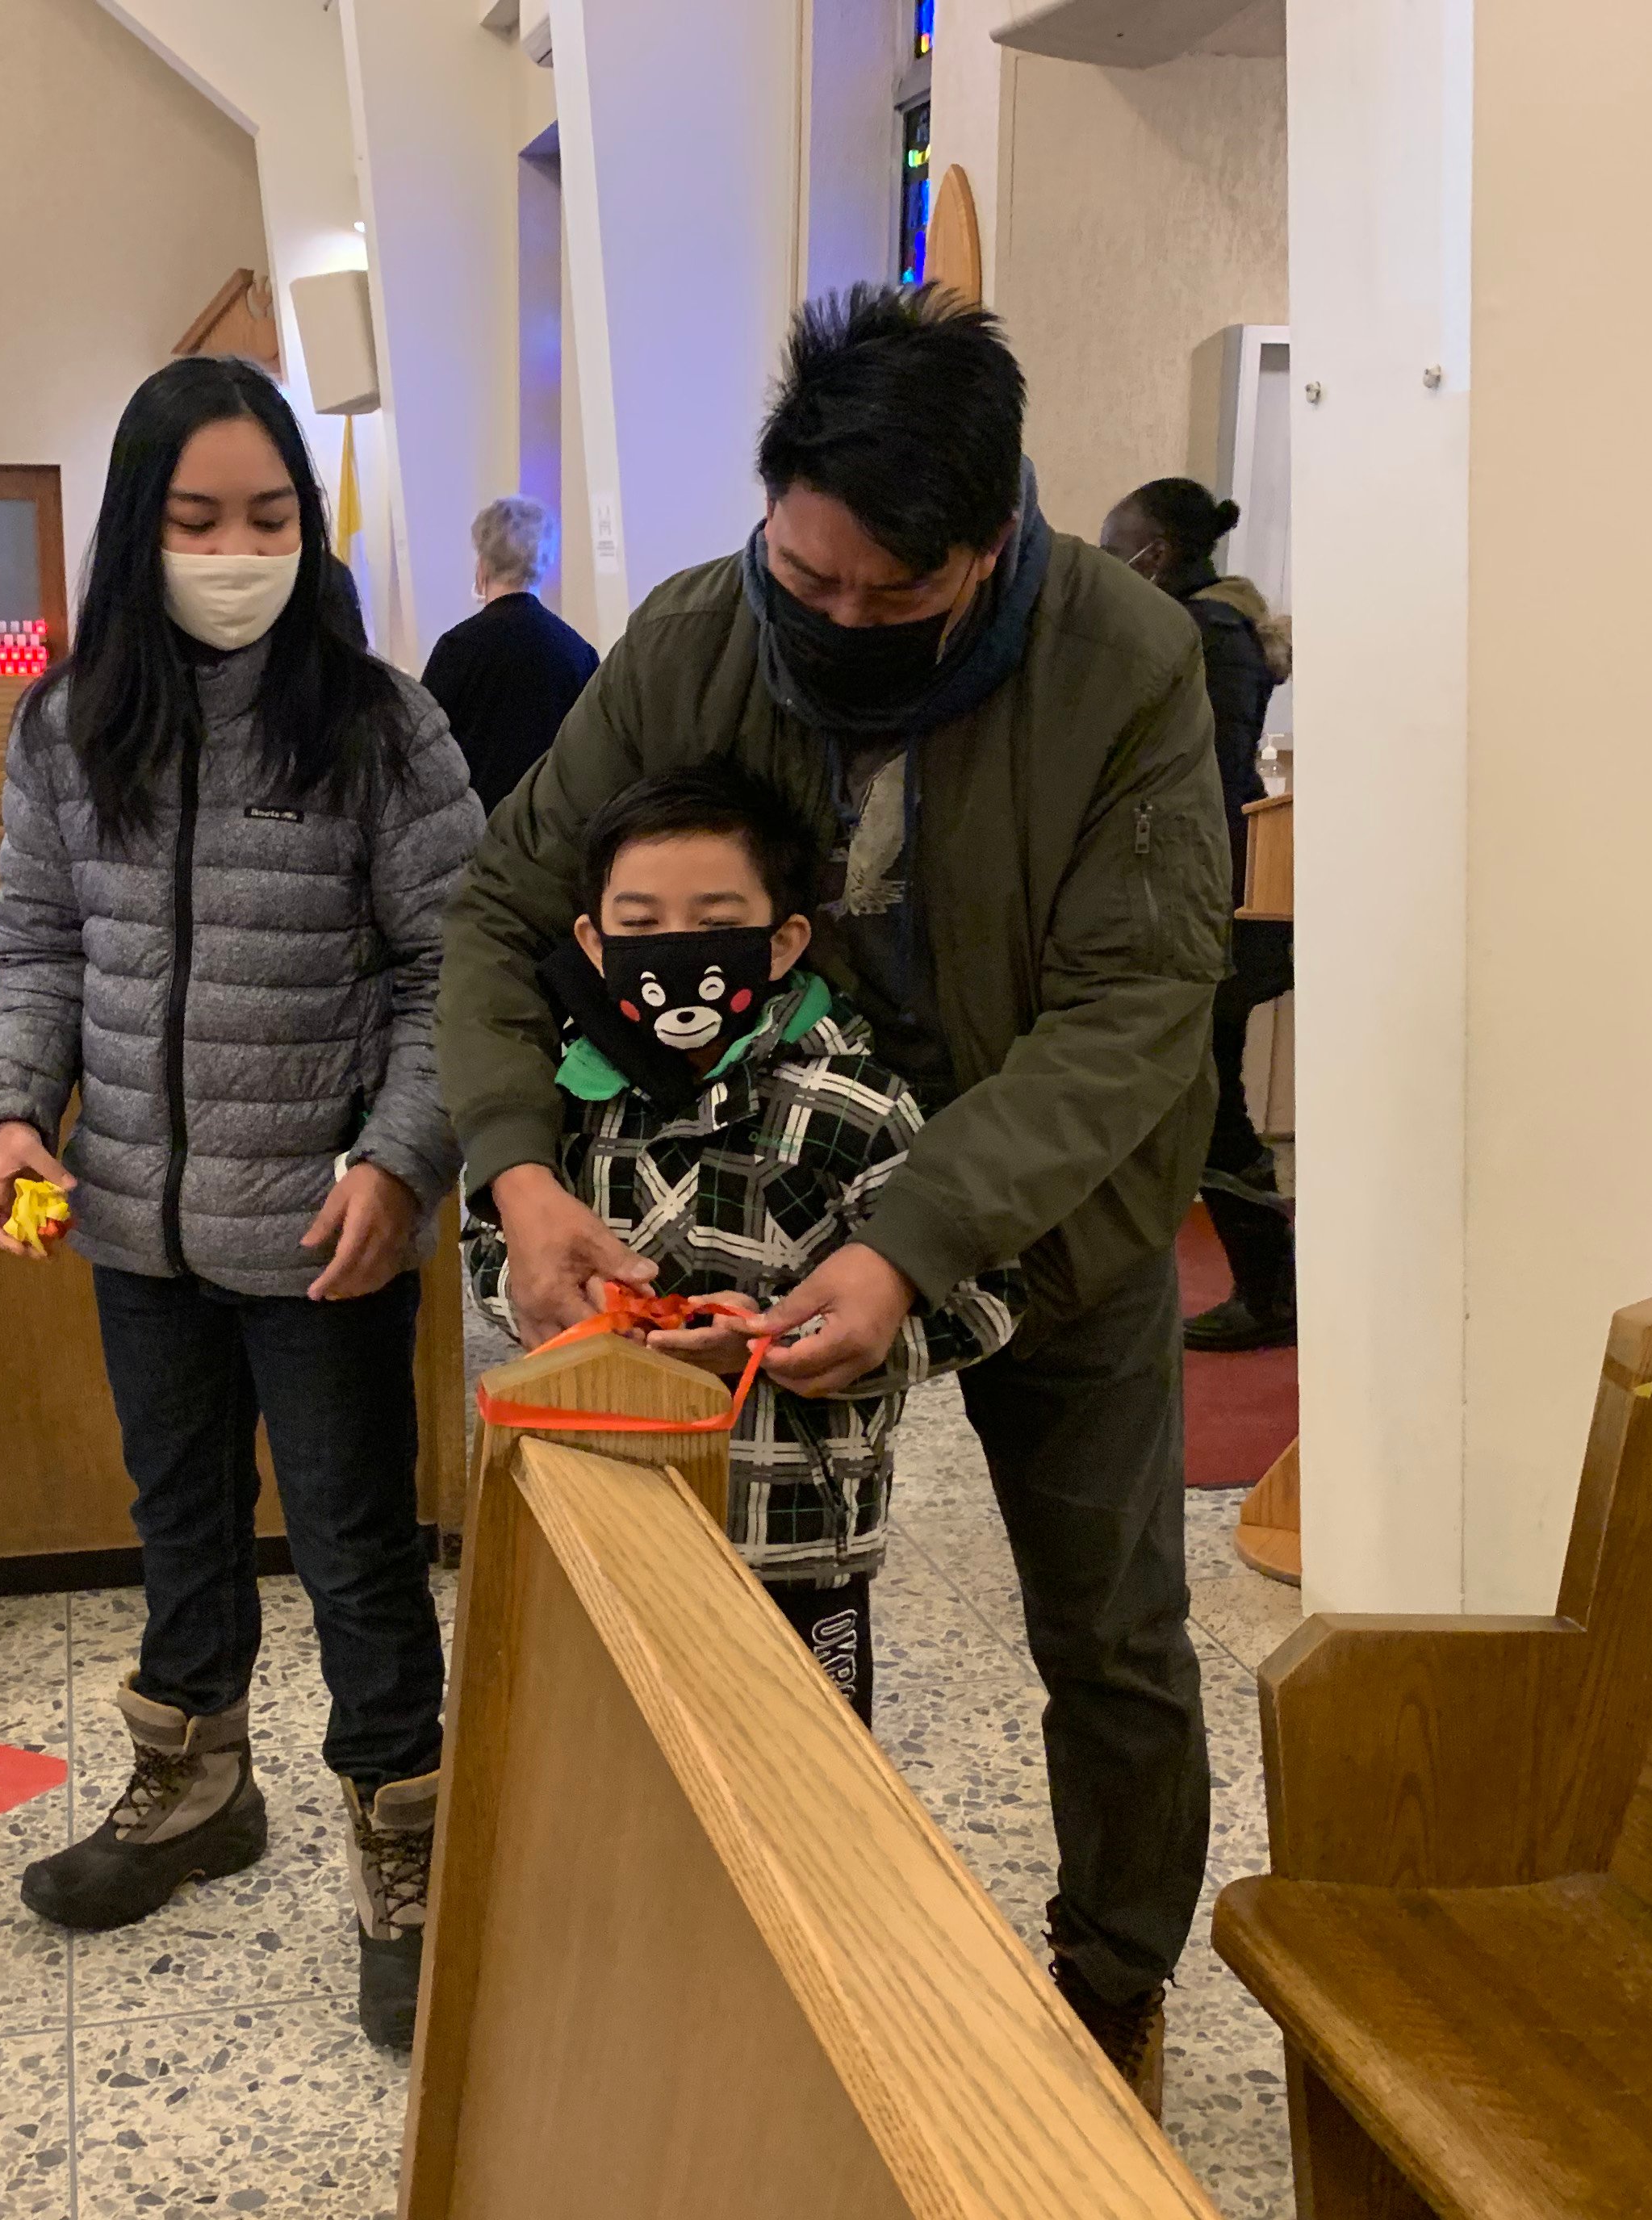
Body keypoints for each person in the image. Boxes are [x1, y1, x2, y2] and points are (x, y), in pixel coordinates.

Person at [438, 284, 1233, 2113]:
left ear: (1001, 536)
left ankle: (1116, 1985)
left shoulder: (1126, 662)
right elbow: (500, 916)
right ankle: (742, 1960)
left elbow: (1131, 1016)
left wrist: (914, 1239)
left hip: (1051, 1220)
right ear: (771, 511)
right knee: (744, 1613)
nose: (848, 625)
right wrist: (522, 1169)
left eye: (902, 593)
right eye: (814, 581)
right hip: (735, 1225)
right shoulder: (700, 633)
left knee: (1109, 1627)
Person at [0, 356, 481, 2049]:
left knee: (356, 1551)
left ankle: (410, 1853)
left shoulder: (379, 720)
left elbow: (447, 971)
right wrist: (12, 1116)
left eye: (268, 515)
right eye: (197, 519)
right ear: (138, 528)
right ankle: (191, 1795)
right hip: (133, 1219)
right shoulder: (68, 720)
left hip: (320, 1226)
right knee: (177, 1520)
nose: (235, 547)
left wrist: (402, 1161)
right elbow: (42, 953)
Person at [467, 762, 1020, 1719]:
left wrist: (823, 1345)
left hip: (799, 1538)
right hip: (612, 1517)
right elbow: (491, 1249)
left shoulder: (857, 1108)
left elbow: (985, 1295)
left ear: (783, 940)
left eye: (715, 922)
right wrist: (548, 1306)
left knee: (814, 1784)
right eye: (639, 927)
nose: (675, 947)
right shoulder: (557, 1109)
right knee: (618, 1763)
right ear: (593, 944)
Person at [1102, 476, 1294, 1352]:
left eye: (1118, 553)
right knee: (1205, 1097)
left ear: (1160, 554)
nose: (1111, 570)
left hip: (1224, 901)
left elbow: (1205, 788)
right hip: (1223, 894)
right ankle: (1271, 1288)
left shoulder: (1203, 633)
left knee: (1211, 1102)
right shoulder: (1213, 626)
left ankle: (1270, 1293)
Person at [418, 495, 600, 812]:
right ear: (543, 563)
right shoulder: (577, 652)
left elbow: (425, 751)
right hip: (547, 832)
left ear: (483, 565)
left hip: (474, 829)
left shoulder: (457, 648)